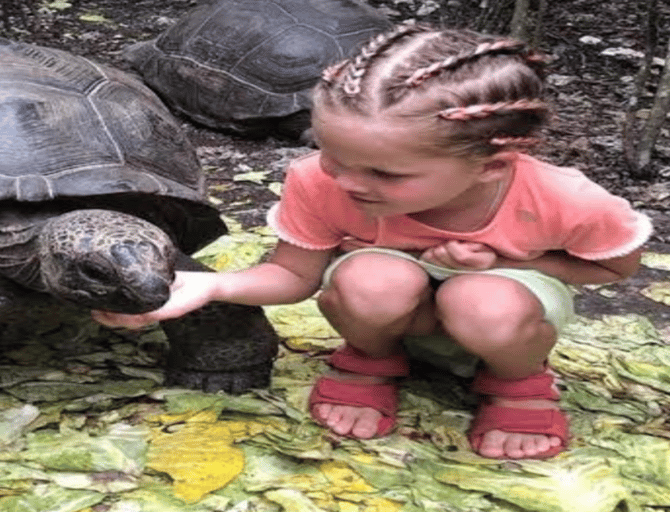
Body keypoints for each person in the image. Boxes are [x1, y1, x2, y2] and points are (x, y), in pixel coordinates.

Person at [93, 22, 652, 460]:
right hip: (391, 305)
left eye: (386, 175)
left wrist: (507, 259)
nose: (350, 182)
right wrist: (209, 287)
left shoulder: (563, 198)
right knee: (370, 278)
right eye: (333, 155)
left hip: (507, 304)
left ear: (492, 164)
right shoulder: (320, 180)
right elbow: (295, 277)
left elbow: (615, 268)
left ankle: (518, 382)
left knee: (482, 301)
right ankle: (369, 360)